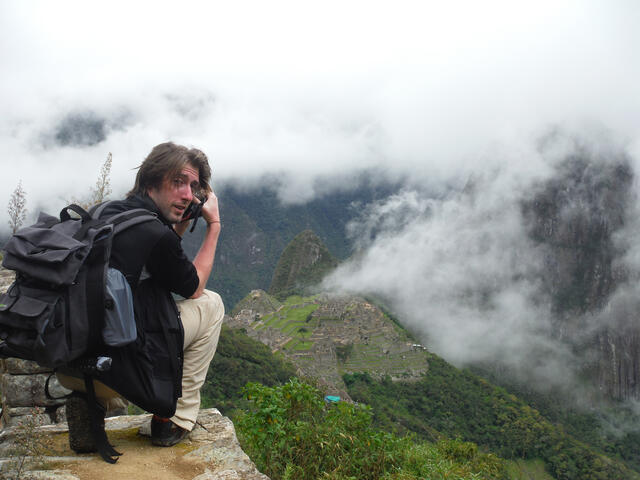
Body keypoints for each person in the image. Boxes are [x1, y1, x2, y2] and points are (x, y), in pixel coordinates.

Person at [58, 142, 224, 448]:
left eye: (194, 187)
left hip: (71, 366)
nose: (187, 194)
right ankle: (173, 420)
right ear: (151, 181)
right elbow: (193, 286)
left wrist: (179, 221)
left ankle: (91, 405)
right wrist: (213, 225)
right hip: (119, 373)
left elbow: (158, 261)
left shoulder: (105, 211)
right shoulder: (155, 234)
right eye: (178, 182)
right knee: (212, 303)